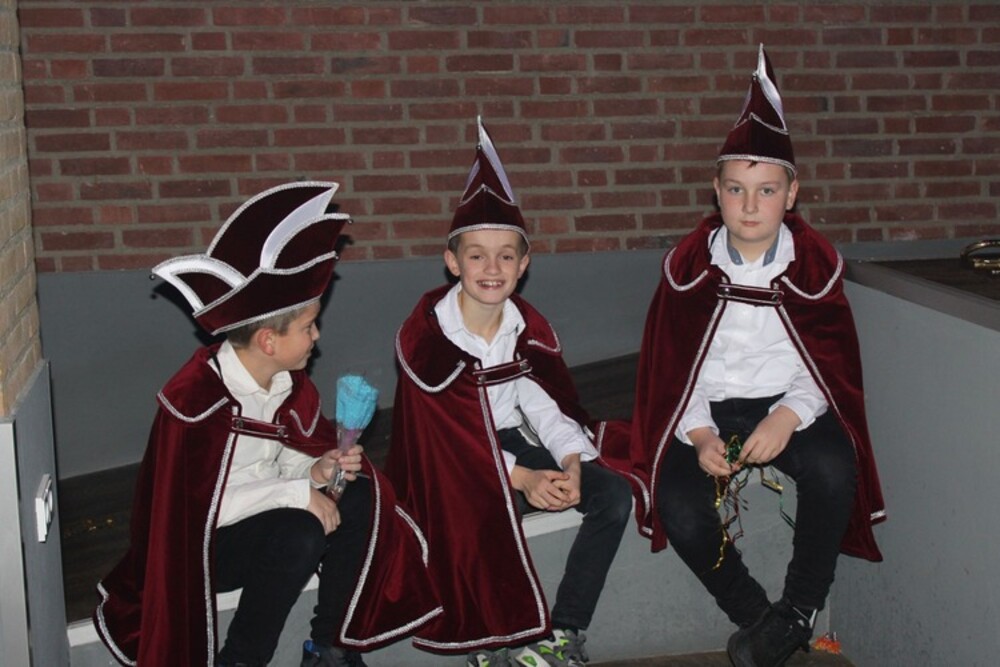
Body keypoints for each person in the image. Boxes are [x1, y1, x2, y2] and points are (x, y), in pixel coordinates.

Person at [93, 181, 441, 667]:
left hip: (267, 516)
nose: (316, 337)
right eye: (308, 326)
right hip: (205, 548)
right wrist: (296, 493)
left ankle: (329, 647)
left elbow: (286, 458)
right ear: (268, 341)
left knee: (359, 494)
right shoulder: (197, 401)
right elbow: (197, 510)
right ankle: (241, 659)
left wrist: (317, 470)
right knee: (300, 530)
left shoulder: (288, 384)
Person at [625, 46, 887, 667]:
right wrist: (698, 433)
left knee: (833, 468)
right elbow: (671, 366)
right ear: (716, 192)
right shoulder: (688, 271)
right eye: (736, 190)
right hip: (706, 409)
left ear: (790, 194)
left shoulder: (813, 270)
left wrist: (788, 417)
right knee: (680, 506)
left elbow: (827, 367)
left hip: (783, 403)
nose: (749, 206)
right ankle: (760, 618)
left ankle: (799, 608)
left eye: (766, 191)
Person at [385, 118, 644, 667]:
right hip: (444, 459)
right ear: (452, 262)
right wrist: (522, 477)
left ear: (523, 265)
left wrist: (571, 461)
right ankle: (491, 637)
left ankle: (564, 629)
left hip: (504, 439)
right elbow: (450, 445)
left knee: (613, 496)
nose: (492, 267)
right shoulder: (427, 339)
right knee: (484, 507)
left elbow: (541, 401)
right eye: (477, 255)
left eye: (506, 255)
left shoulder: (525, 326)